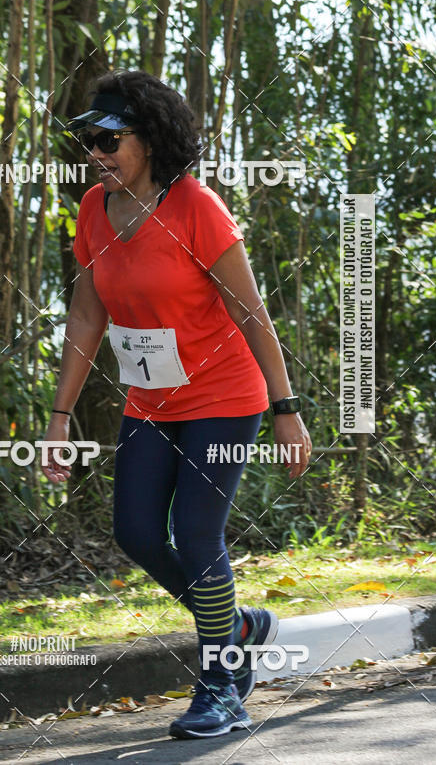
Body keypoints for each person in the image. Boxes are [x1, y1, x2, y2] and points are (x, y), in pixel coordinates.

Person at [41, 69, 312, 740]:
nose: (96, 154)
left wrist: (286, 406)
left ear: (150, 139)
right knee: (135, 532)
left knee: (196, 535)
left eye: (109, 140)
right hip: (152, 402)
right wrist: (59, 418)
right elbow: (85, 315)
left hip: (224, 396)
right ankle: (241, 625)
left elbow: (251, 313)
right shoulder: (93, 211)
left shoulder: (196, 207)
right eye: (88, 143)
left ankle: (222, 684)